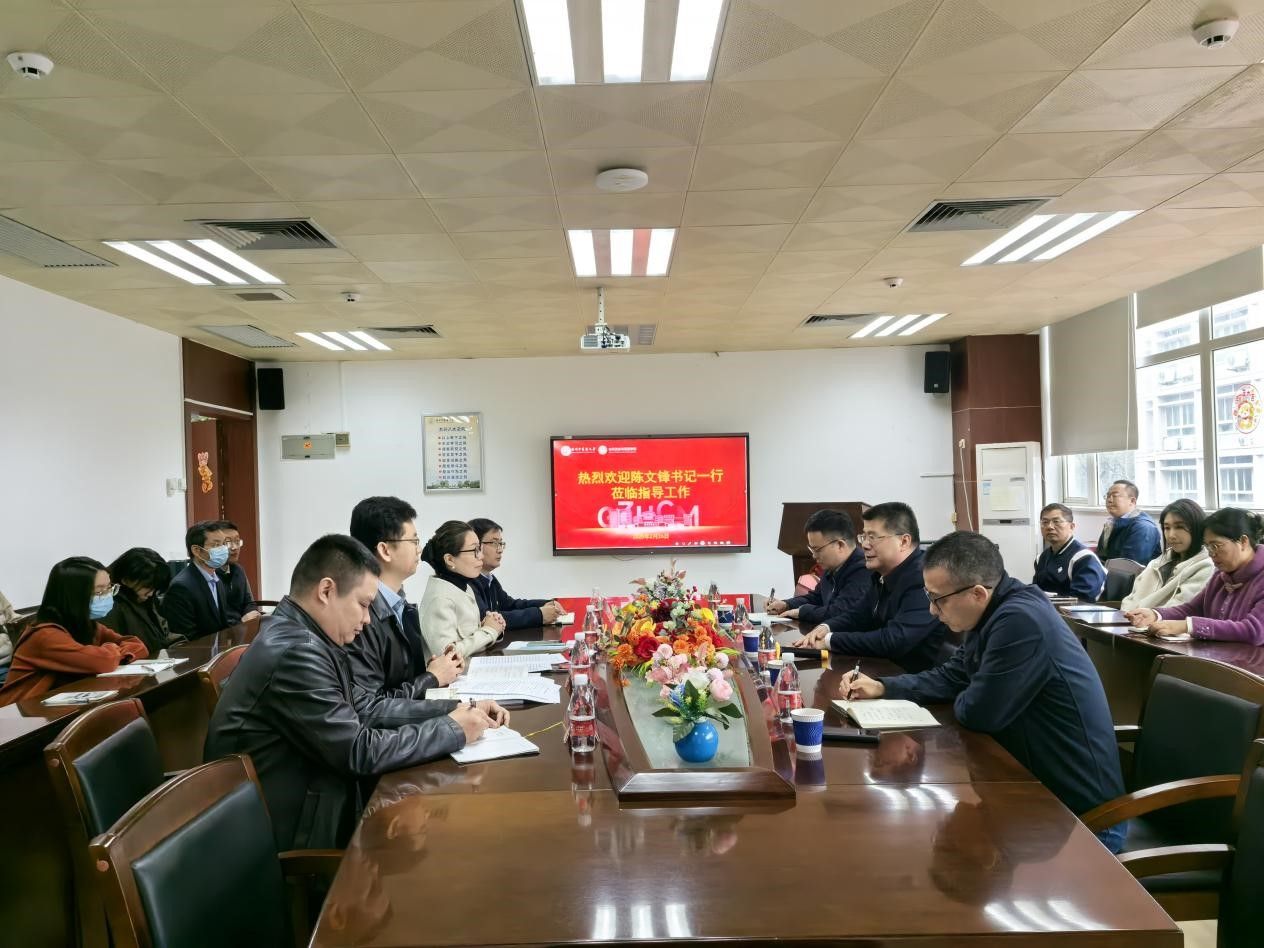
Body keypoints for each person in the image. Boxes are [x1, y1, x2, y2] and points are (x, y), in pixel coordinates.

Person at [204, 534, 507, 850]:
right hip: (290, 831)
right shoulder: (297, 653)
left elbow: (364, 709)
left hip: (317, 796)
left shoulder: (307, 636)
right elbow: (358, 751)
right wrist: (453, 730)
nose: (367, 619)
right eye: (363, 605)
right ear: (326, 591)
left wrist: (458, 709)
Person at [839, 531, 1127, 851]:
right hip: (1031, 791)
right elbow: (954, 675)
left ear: (977, 593)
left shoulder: (1020, 620)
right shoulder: (994, 609)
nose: (932, 610)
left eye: (937, 599)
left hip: (1084, 819)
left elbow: (979, 713)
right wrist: (884, 686)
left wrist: (969, 689)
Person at [792, 502, 947, 672]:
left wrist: (830, 640)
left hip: (912, 678)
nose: (864, 545)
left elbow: (893, 640)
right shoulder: (882, 574)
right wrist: (826, 628)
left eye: (872, 537)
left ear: (903, 541)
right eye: (863, 537)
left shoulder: (924, 577)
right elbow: (857, 615)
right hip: (881, 668)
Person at [347, 496, 463, 700]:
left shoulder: (401, 605)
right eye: (413, 541)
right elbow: (371, 705)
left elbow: (401, 680)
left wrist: (438, 669)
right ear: (385, 550)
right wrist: (431, 678)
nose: (419, 549)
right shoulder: (361, 617)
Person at [0, 557, 148, 706]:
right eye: (99, 591)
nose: (107, 596)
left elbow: (138, 645)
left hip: (56, 705)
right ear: (73, 596)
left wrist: (113, 652)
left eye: (109, 588)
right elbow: (104, 661)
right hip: (18, 713)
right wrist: (114, 650)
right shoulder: (45, 635)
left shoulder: (87, 625)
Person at [1125, 507, 1264, 645]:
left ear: (1243, 541)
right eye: (1208, 547)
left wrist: (1188, 626)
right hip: (1221, 655)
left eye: (1216, 546)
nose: (1211, 553)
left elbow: (1254, 631)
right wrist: (1156, 615)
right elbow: (1194, 608)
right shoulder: (1221, 576)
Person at [419, 521, 506, 660]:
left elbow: (468, 639)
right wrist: (489, 631)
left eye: (480, 549)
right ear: (450, 559)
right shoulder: (440, 599)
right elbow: (447, 657)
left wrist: (492, 625)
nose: (481, 556)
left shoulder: (464, 587)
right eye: (474, 550)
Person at [767, 509, 869, 626]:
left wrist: (802, 612)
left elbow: (840, 612)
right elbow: (816, 598)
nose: (814, 556)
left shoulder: (863, 569)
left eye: (817, 549)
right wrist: (786, 605)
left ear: (840, 545)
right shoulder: (832, 567)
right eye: (812, 549)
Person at [468, 518, 563, 630]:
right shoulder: (469, 583)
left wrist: (546, 604)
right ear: (476, 547)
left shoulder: (490, 579)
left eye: (501, 543)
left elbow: (511, 605)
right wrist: (539, 614)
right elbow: (487, 620)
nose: (500, 550)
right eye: (494, 543)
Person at [1120, 499, 1213, 612]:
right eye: (1167, 528)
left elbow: (1178, 610)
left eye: (1179, 527)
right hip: (1129, 620)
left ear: (1197, 528)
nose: (1171, 535)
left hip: (1161, 622)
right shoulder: (1158, 562)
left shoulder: (1206, 567)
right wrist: (1126, 616)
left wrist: (1139, 617)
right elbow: (1130, 599)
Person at [161, 521, 245, 639]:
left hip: (219, 647)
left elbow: (222, 625)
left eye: (223, 544)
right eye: (216, 545)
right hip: (199, 649)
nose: (223, 549)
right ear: (197, 550)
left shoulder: (217, 580)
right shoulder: (181, 587)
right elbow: (186, 637)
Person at [101, 547, 186, 656]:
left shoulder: (145, 599)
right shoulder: (108, 606)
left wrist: (180, 645)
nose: (151, 593)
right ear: (126, 580)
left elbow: (163, 634)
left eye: (155, 587)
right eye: (147, 587)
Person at [1032, 503, 1105, 601]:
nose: (1049, 527)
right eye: (1045, 522)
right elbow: (1035, 591)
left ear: (1072, 526)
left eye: (1056, 521)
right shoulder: (1041, 558)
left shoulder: (1084, 558)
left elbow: (1082, 599)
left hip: (1075, 609)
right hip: (1046, 607)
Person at [1096, 480, 1161, 563]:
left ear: (1132, 501)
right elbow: (1101, 556)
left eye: (1115, 496)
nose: (1109, 500)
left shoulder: (1143, 527)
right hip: (1111, 570)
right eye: (1108, 496)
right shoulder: (1112, 522)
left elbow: (1129, 566)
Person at [217, 520, 260, 623]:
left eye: (237, 541)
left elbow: (249, 602)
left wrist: (252, 614)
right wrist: (241, 622)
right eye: (228, 543)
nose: (234, 547)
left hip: (244, 627)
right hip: (227, 630)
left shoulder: (238, 569)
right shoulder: (210, 575)